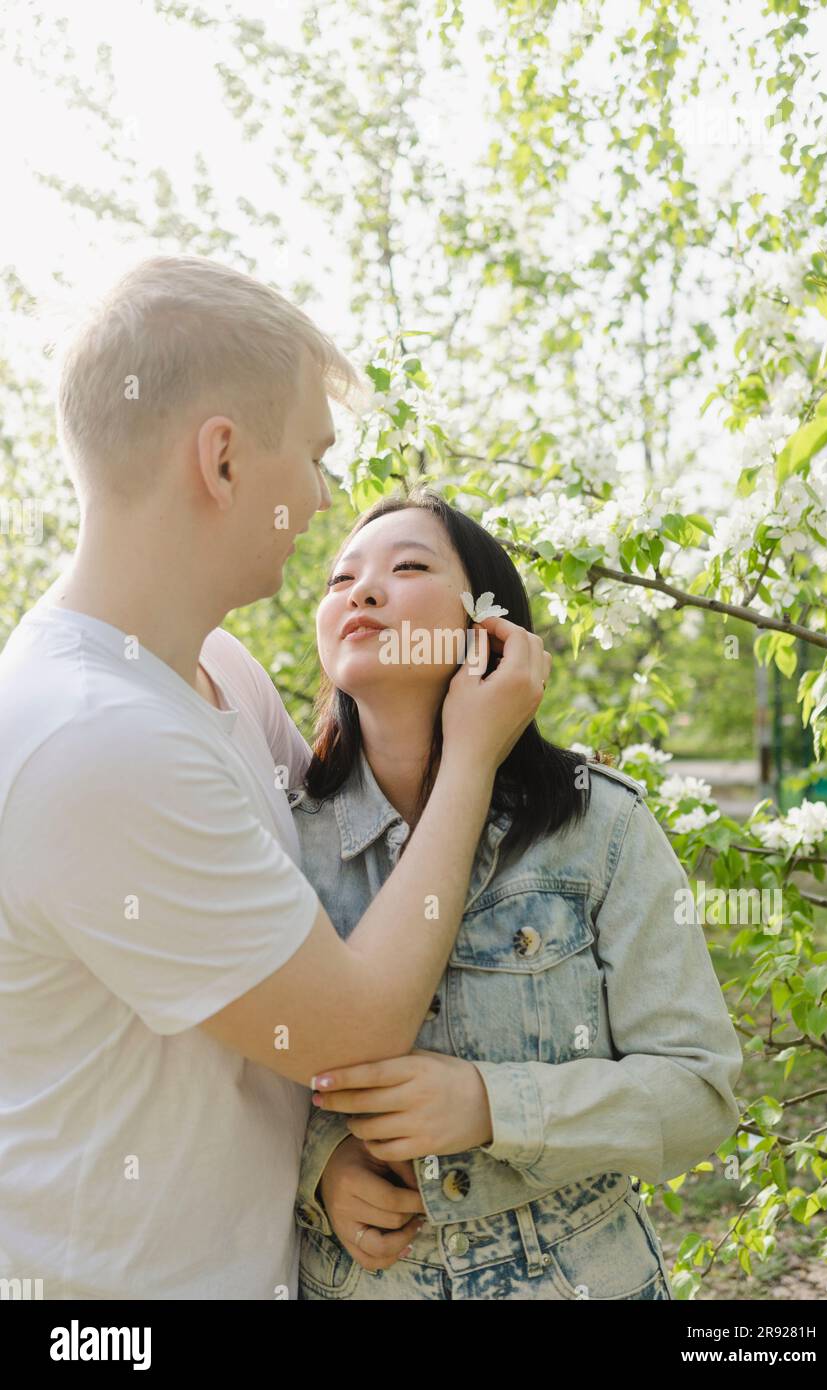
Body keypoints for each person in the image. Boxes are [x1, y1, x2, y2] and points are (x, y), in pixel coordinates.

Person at [0, 255, 550, 1300]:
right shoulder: (91, 740)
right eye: (313, 454)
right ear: (220, 461)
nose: (323, 497)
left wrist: (541, 780)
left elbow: (345, 857)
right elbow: (349, 1024)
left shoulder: (216, 676)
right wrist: (477, 754)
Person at [288, 488, 744, 1300]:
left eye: (408, 566)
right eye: (338, 579)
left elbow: (699, 1094)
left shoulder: (598, 824)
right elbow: (228, 1086)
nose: (359, 590)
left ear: (486, 624)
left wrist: (493, 1106)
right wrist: (318, 1174)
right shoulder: (278, 838)